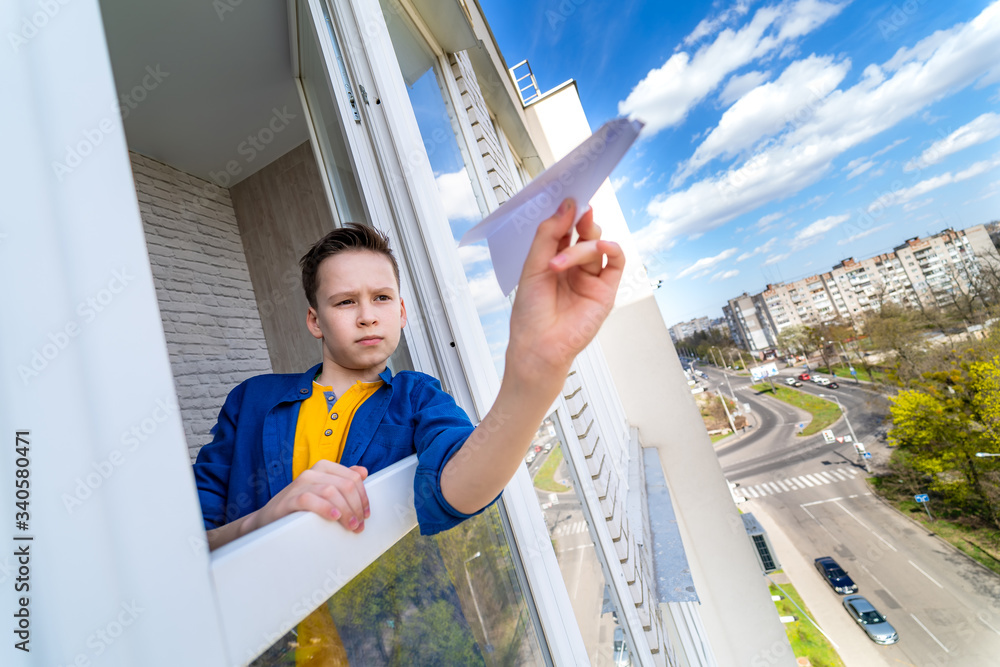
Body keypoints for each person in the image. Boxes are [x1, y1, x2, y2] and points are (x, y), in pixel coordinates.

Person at [194, 198, 623, 550]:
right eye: (345, 302)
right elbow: (190, 542)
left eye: (381, 298)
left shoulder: (417, 398)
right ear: (314, 320)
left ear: (400, 312)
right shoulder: (250, 399)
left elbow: (460, 485)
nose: (367, 317)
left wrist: (533, 379)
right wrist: (268, 519)